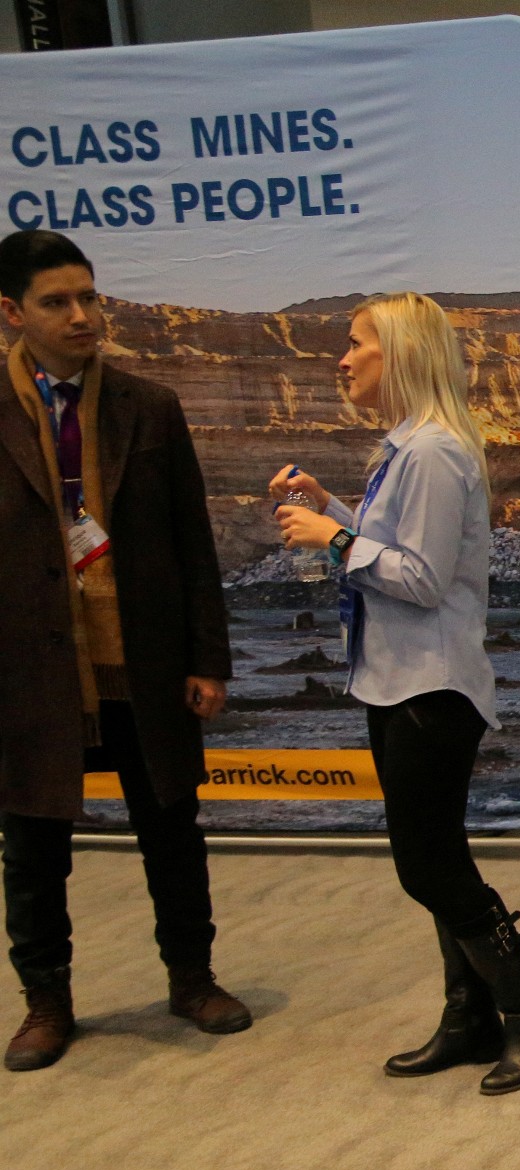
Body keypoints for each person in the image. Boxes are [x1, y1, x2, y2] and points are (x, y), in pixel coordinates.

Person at [271, 292, 520, 1094]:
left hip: (430, 688)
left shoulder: (433, 452)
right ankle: (469, 1019)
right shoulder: (407, 448)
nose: (343, 360)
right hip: (397, 681)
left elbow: (424, 578)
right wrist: (331, 510)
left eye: (357, 344)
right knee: (438, 856)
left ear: (401, 354)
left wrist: (334, 537)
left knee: (429, 867)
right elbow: (396, 549)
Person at [0, 231, 247, 1072]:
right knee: (33, 847)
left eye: (89, 297)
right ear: (12, 313)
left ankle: (193, 979)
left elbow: (192, 542)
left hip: (141, 663)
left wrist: (208, 658)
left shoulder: (149, 405)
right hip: (30, 669)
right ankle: (46, 1003)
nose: (82, 316)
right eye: (57, 302)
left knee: (172, 830)